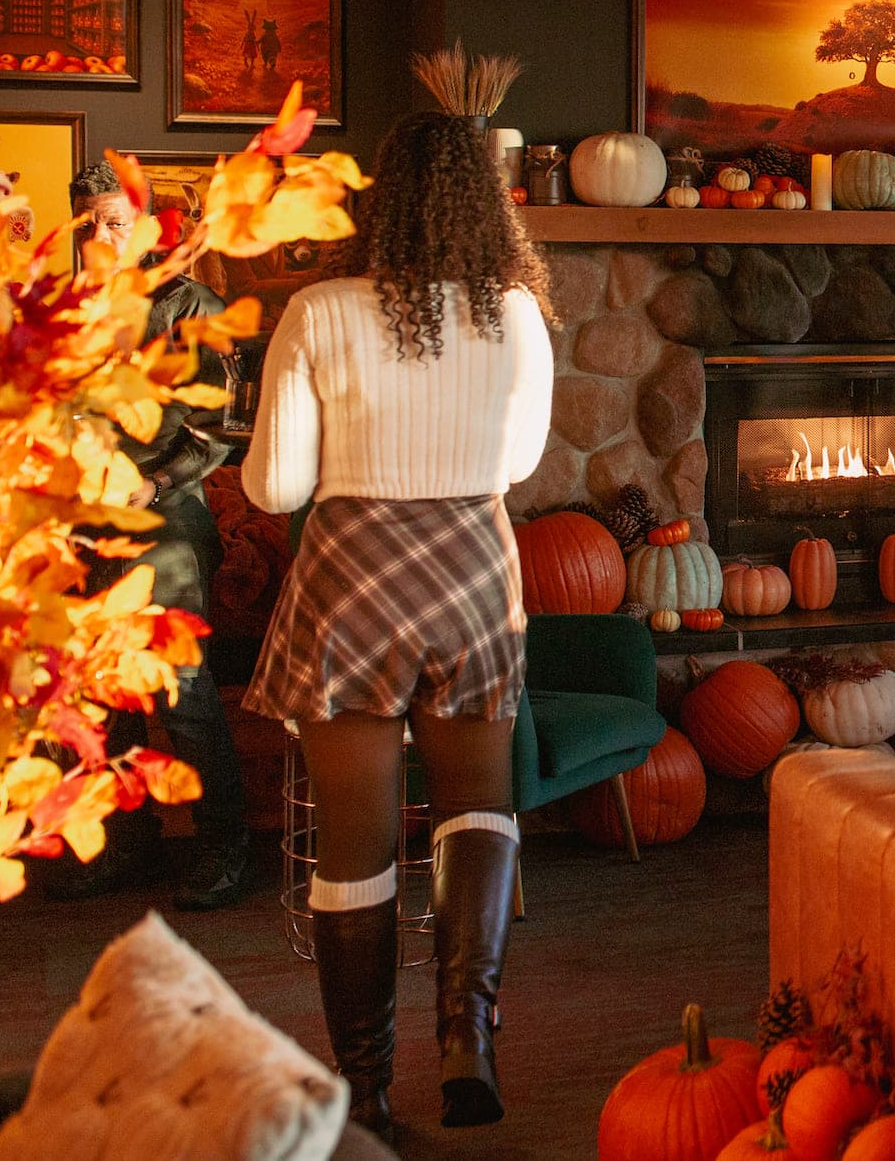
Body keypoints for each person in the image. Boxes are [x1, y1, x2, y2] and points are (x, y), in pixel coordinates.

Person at [243, 108, 553, 1134]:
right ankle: (468, 1032)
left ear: (380, 196)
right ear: (484, 205)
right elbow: (516, 470)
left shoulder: (320, 309)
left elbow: (276, 481)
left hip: (353, 574)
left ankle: (367, 1088)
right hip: (471, 565)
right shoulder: (513, 313)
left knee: (355, 843)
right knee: (479, 801)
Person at [46, 162, 252, 910]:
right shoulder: (69, 310)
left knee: (184, 692)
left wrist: (156, 481)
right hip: (84, 526)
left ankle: (226, 848)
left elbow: (223, 422)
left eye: (114, 222)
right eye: (88, 223)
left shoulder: (189, 307)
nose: (99, 236)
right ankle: (125, 848)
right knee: (105, 699)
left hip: (165, 524)